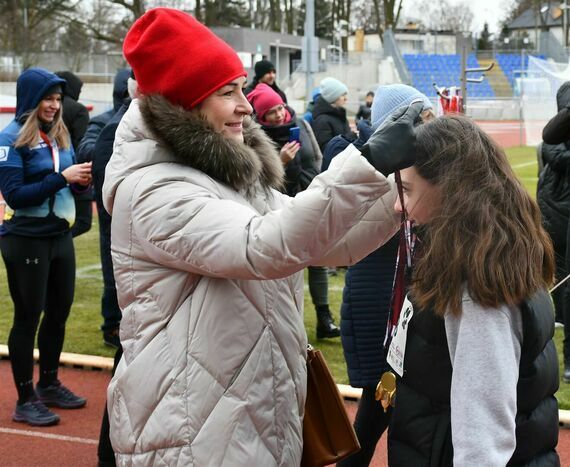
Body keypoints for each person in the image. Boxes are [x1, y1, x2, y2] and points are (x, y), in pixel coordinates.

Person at [102, 8, 417, 464]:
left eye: (241, 89)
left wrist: (398, 192)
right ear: (186, 104)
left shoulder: (229, 176)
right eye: (227, 92)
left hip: (249, 416)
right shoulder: (152, 189)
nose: (246, 106)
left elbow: (329, 243)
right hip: (193, 432)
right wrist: (366, 163)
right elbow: (264, 246)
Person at [372, 115, 560, 465]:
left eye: (407, 189)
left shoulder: (477, 292)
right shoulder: (490, 256)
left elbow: (482, 443)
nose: (398, 205)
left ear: (450, 189)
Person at [323, 84, 434, 467]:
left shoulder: (410, 161)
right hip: (378, 302)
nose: (429, 127)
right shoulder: (363, 160)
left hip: (401, 297)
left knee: (391, 414)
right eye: (423, 118)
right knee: (377, 411)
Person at [0, 68, 91, 427]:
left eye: (57, 99)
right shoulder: (10, 139)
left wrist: (82, 184)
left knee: (59, 312)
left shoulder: (58, 136)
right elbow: (16, 195)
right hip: (26, 238)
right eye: (48, 98)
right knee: (28, 316)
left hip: (59, 237)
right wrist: (61, 179)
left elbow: (69, 186)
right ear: (31, 99)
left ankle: (49, 383)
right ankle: (25, 399)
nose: (54, 105)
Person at [247, 82, 340, 338]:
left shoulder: (301, 125)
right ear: (261, 117)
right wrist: (281, 162)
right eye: (270, 113)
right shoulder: (256, 139)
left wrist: (317, 182)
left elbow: (317, 156)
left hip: (308, 197)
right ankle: (288, 322)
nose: (278, 115)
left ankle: (324, 318)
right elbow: (257, 180)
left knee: (318, 262)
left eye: (279, 108)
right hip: (280, 208)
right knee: (288, 266)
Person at [75, 68, 131, 348]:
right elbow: (86, 151)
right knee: (113, 263)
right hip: (110, 207)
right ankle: (111, 324)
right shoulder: (102, 122)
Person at [55, 71, 91, 238]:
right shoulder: (78, 110)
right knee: (83, 221)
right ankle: (56, 242)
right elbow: (82, 143)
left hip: (52, 171)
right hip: (76, 173)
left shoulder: (51, 106)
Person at [311, 77, 354, 152]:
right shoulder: (322, 120)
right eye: (343, 95)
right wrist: (351, 136)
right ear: (333, 97)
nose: (346, 98)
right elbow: (327, 149)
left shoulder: (339, 115)